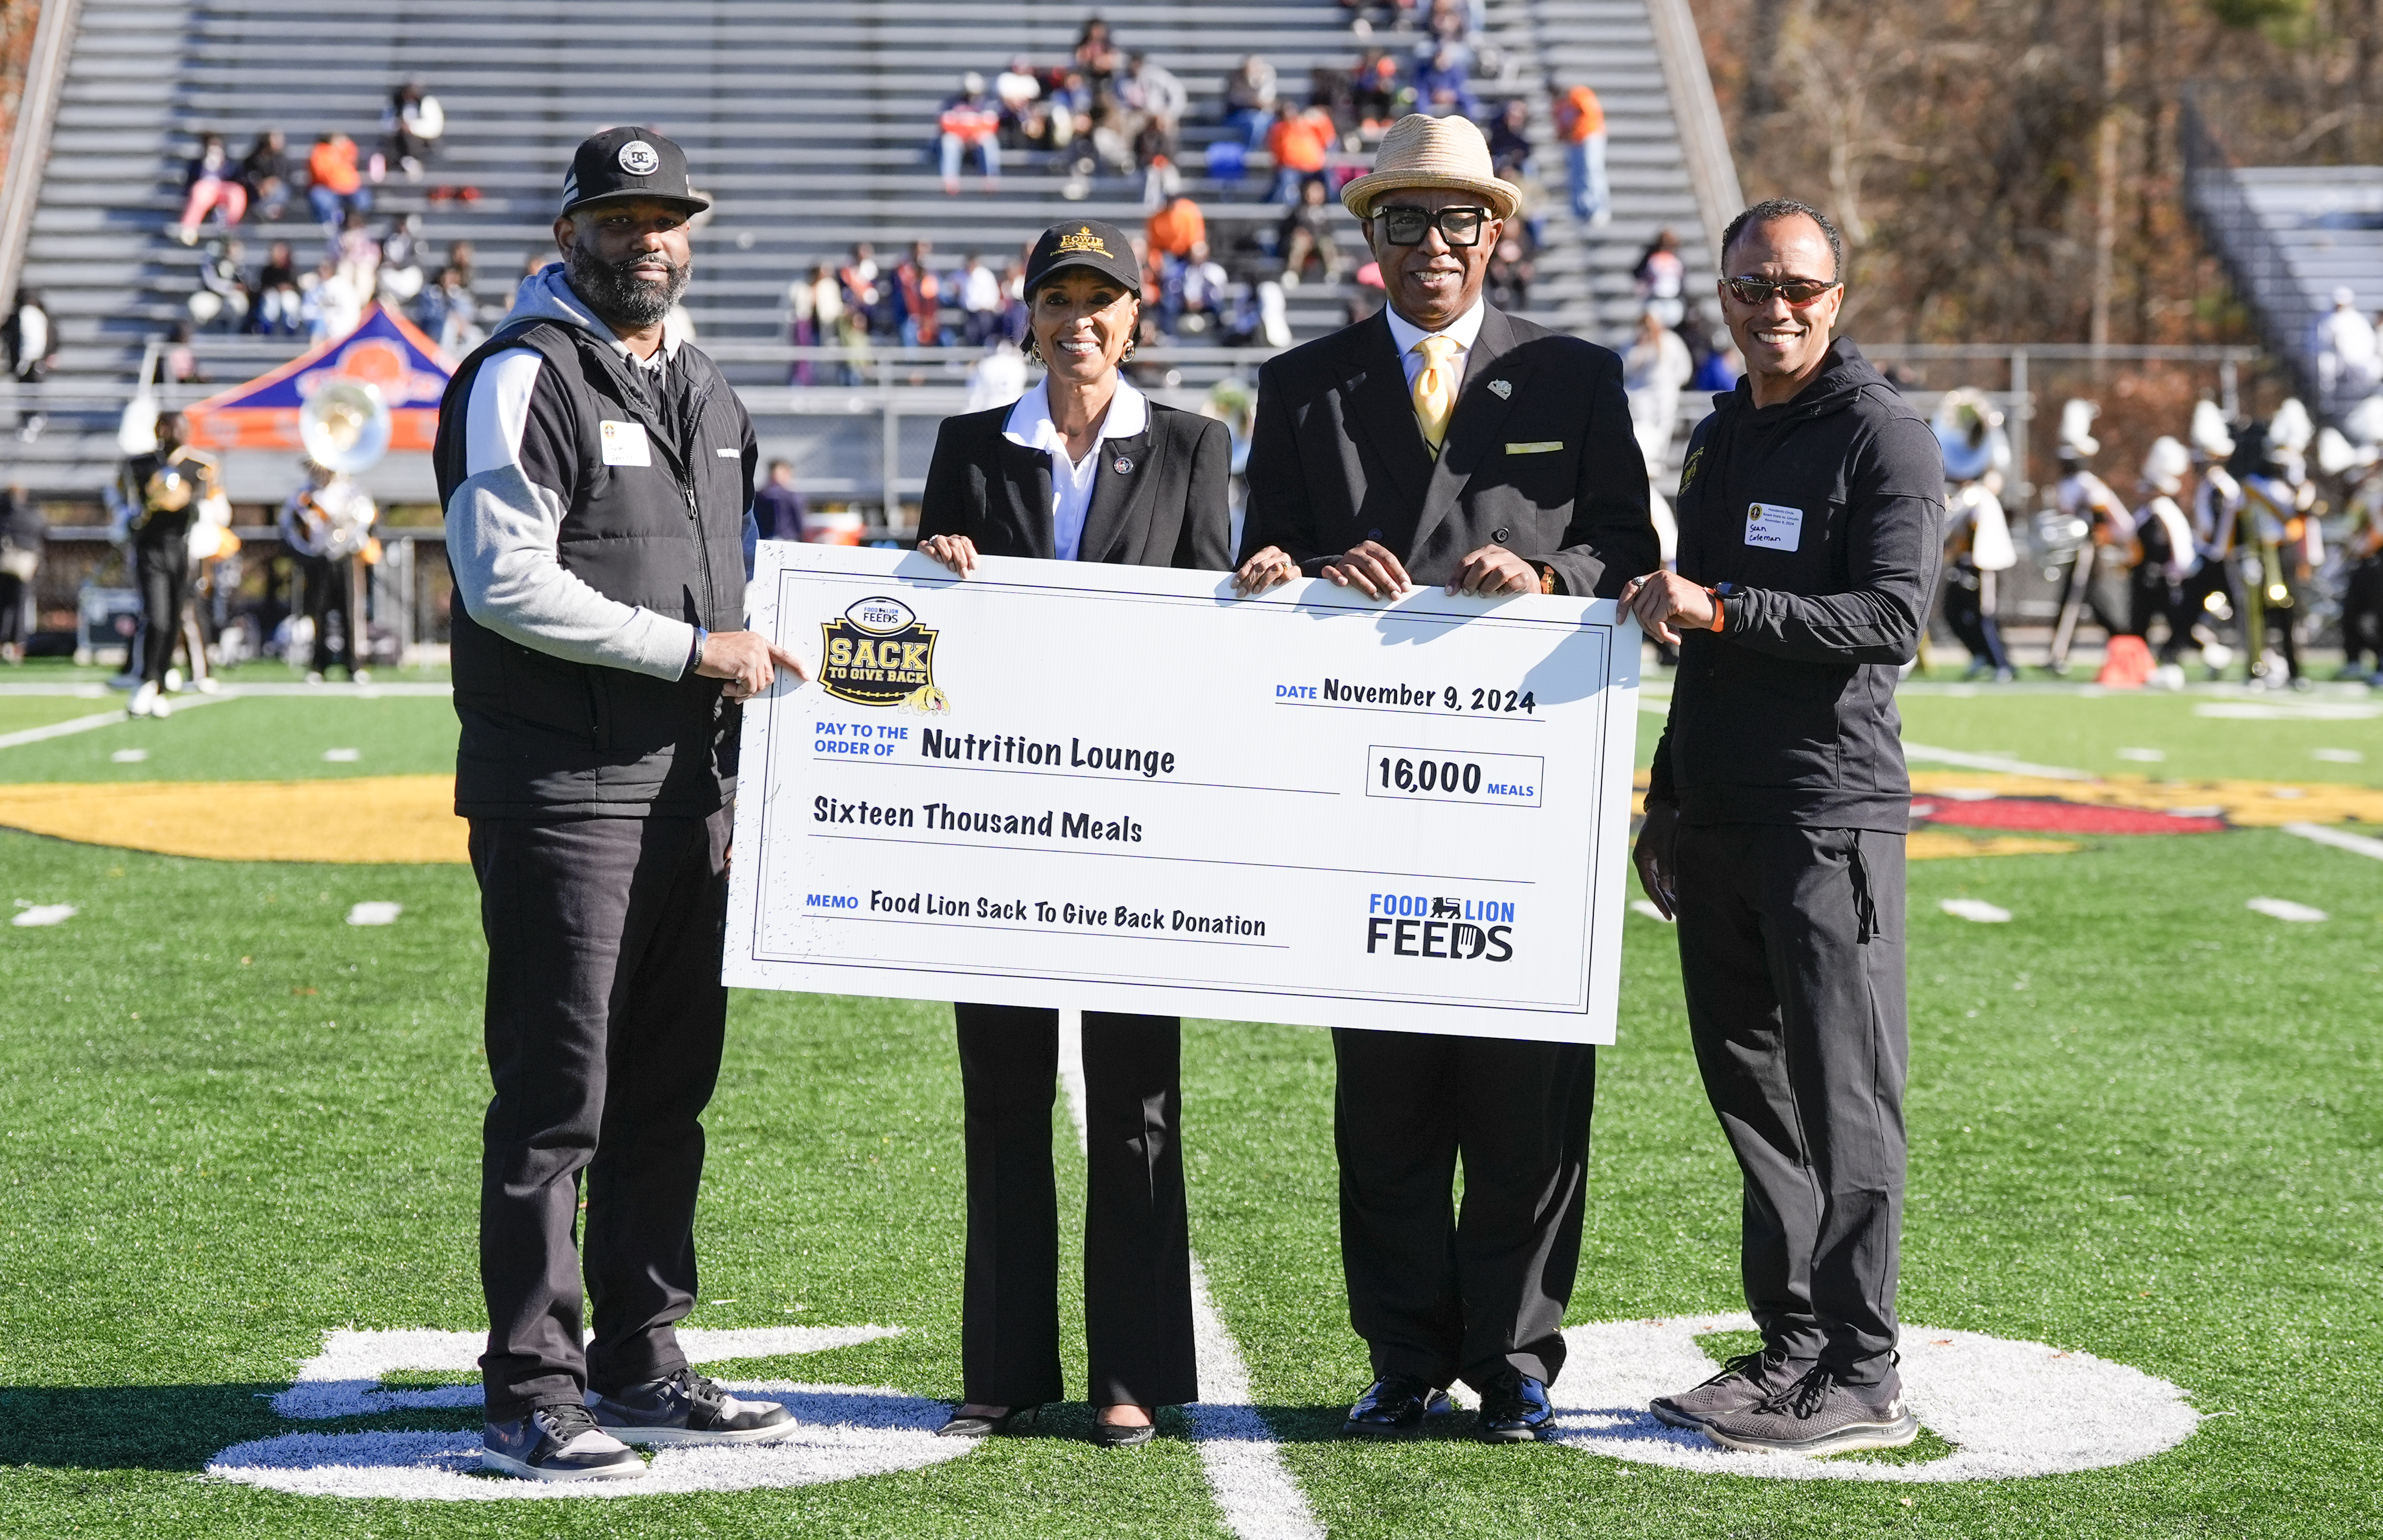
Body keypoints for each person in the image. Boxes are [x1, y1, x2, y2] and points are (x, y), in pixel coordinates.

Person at [1231, 114, 1655, 1445]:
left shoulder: (1577, 376)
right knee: (1385, 1094)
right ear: (1366, 238)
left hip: (1526, 801)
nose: (1431, 244)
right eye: (1402, 220)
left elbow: (1623, 550)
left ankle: (1517, 1355)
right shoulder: (1300, 383)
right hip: (1362, 796)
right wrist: (1284, 572)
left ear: (1497, 230)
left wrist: (1545, 578)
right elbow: (1258, 559)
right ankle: (1402, 1353)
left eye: (1455, 219)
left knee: (1529, 1086)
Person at [433, 127, 804, 1483]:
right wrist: (692, 652)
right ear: (572, 227)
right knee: (556, 1098)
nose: (648, 238)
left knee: (665, 1090)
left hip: (688, 793)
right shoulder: (515, 375)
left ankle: (643, 1357)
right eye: (620, 216)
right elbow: (500, 580)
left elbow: (745, 580)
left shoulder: (704, 384)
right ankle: (532, 1382)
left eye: (668, 217)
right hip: (562, 790)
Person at [1627, 197, 1941, 1458]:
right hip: (1720, 815)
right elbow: (1691, 647)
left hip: (1826, 816)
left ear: (1838, 295)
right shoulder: (1718, 436)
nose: (1775, 309)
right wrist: (1666, 790)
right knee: (1751, 1094)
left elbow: (1888, 622)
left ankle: (1862, 1367)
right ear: (1724, 294)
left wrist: (1726, 609)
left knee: (1844, 1099)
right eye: (1752, 287)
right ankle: (1794, 1344)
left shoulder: (1882, 435)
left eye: (1798, 288)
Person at [914, 217, 1231, 1452]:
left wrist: (1251, 586)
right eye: (1060, 298)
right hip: (996, 826)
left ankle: (1132, 1370)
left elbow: (1212, 615)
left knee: (1137, 1099)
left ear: (1137, 318)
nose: (1080, 320)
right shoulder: (966, 447)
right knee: (998, 1093)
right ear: (1029, 315)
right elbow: (924, 632)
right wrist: (927, 561)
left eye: (1104, 300)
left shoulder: (1196, 446)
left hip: (1134, 828)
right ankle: (1000, 1366)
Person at [118, 411, 225, 718]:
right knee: (157, 618)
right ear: (161, 429)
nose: (180, 431)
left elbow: (199, 504)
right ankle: (145, 680)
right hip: (150, 548)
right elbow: (134, 500)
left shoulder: (197, 467)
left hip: (180, 548)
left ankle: (160, 684)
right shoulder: (142, 464)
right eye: (173, 426)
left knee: (174, 620)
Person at [279, 458, 376, 682]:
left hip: (345, 556)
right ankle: (318, 665)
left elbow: (361, 518)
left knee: (349, 610)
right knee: (318, 611)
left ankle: (354, 665)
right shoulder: (306, 494)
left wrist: (340, 521)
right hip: (319, 556)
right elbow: (292, 524)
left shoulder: (348, 491)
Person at [2132, 436, 2200, 687]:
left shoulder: (2162, 510)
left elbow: (2176, 549)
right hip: (2147, 576)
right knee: (2144, 624)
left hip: (2162, 577)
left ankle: (2175, 661)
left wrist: (2174, 572)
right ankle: (2143, 666)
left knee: (2175, 623)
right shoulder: (2147, 511)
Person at [1623, 306, 1693, 474]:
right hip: (1641, 393)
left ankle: (1658, 460)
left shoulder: (1671, 341)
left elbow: (1683, 367)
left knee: (1664, 426)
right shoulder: (1635, 344)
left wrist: (1674, 383)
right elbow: (1626, 367)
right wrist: (1640, 348)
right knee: (1642, 425)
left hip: (1665, 392)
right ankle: (1644, 460)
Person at [1549, 80, 1609, 225]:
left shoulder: (1579, 94)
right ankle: (1580, 210)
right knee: (1576, 175)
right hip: (1574, 142)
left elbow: (1589, 114)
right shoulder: (1558, 106)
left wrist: (1572, 129)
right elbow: (1560, 128)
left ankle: (1599, 209)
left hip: (1590, 136)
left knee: (1592, 171)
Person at [5, 289, 57, 441]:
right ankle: (31, 418)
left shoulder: (26, 316)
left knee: (29, 390)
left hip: (30, 360)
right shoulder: (37, 315)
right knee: (30, 390)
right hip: (31, 360)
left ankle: (33, 418)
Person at [176, 133, 246, 245]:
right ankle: (190, 228)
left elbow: (237, 178)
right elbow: (191, 182)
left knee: (237, 192)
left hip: (223, 189)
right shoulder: (197, 164)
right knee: (199, 190)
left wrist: (222, 165)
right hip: (206, 191)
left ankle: (230, 227)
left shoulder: (229, 163)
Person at [0, 484, 43, 663]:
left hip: (5, 563)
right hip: (25, 566)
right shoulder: (33, 514)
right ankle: (18, 645)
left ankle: (4, 644)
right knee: (20, 606)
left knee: (3, 605)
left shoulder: (4, 514)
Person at [939, 75, 1002, 195]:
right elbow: (946, 123)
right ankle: (950, 180)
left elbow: (992, 124)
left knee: (989, 140)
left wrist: (974, 135)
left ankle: (991, 178)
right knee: (949, 142)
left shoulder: (987, 103)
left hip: (977, 141)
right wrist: (965, 135)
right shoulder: (953, 103)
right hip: (960, 140)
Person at [1277, 174, 1343, 286]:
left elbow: (1329, 233)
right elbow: (1286, 230)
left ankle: (1332, 273)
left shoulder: (1324, 214)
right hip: (1303, 243)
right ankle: (1293, 272)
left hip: (1319, 242)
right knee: (1299, 243)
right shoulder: (1297, 212)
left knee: (1327, 244)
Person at [1266, 99, 1334, 205]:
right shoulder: (1279, 129)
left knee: (1331, 181)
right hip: (1293, 168)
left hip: (1315, 168)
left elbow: (1328, 137)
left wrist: (1320, 117)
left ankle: (1332, 204)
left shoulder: (1308, 124)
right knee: (1287, 183)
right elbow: (1277, 149)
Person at [382, 79, 446, 181]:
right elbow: (386, 124)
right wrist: (398, 125)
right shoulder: (396, 103)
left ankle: (416, 162)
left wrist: (412, 127)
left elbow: (435, 128)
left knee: (411, 138)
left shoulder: (428, 102)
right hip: (399, 140)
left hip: (424, 142)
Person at [307, 132, 370, 227]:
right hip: (327, 190)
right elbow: (322, 174)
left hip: (350, 190)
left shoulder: (345, 151)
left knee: (364, 199)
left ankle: (356, 224)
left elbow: (352, 155)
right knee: (320, 198)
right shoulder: (320, 152)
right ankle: (330, 224)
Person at [1222, 54, 1278, 148]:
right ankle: (1250, 153)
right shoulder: (1236, 79)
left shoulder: (1267, 77)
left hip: (1263, 116)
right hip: (1238, 115)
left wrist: (1259, 82)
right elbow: (1238, 101)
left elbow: (1268, 101)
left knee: (1268, 122)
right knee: (1255, 124)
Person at [241, 128, 295, 221]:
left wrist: (273, 183)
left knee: (282, 192)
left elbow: (286, 177)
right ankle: (262, 211)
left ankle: (268, 212)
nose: (280, 141)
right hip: (258, 191)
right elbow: (248, 174)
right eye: (276, 138)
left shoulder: (283, 159)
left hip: (278, 191)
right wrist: (260, 184)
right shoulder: (255, 158)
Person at [1635, 228, 1686, 327]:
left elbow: (1682, 280)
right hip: (1654, 298)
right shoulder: (1651, 258)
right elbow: (1638, 273)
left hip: (1673, 300)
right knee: (1654, 325)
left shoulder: (1676, 259)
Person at [752, 458, 806, 542]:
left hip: (789, 539)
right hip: (766, 538)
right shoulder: (761, 496)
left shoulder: (793, 496)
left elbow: (799, 521)